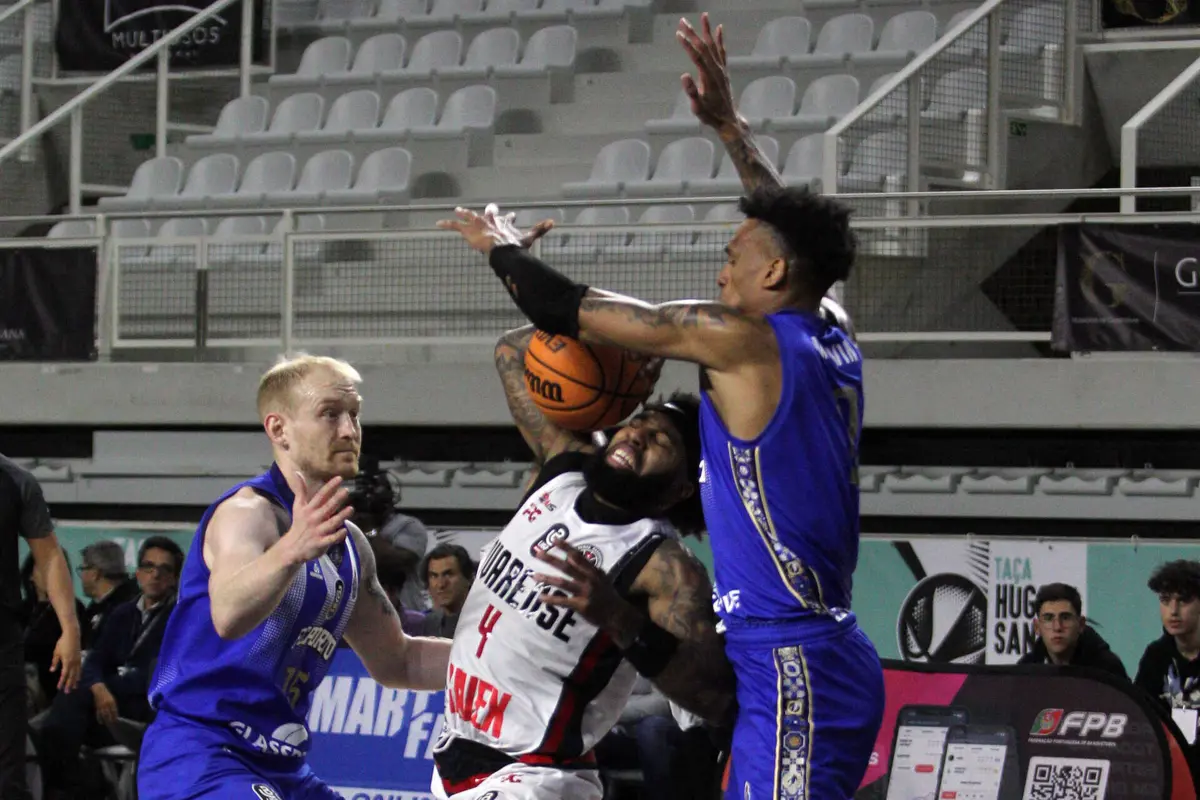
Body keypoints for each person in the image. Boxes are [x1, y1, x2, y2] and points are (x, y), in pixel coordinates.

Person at [439, 14, 883, 799]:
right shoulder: (829, 328)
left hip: (793, 655)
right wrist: (729, 129)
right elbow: (794, 229)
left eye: (734, 259)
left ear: (775, 273)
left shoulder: (744, 342)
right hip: (793, 649)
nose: (723, 271)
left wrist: (503, 247)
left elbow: (566, 307)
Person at [428, 325, 733, 800]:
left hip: (535, 775)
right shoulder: (564, 469)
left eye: (661, 442)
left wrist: (618, 616)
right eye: (640, 420)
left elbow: (714, 698)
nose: (638, 434)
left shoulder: (662, 564)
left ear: (679, 488)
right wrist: (618, 352)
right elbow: (511, 349)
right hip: (456, 749)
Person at [137, 354, 453, 800]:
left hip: (281, 766)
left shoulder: (350, 545)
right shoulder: (247, 514)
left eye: (354, 415)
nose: (349, 430)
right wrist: (291, 550)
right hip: (201, 753)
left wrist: (497, 661)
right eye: (329, 414)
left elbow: (399, 660)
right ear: (278, 429)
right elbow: (227, 614)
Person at [36, 536, 182, 800]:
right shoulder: (123, 613)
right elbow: (94, 659)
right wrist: (98, 685)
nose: (155, 575)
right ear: (137, 572)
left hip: (140, 710)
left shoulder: (179, 620)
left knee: (66, 707)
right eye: (149, 566)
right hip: (103, 705)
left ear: (174, 578)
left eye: (165, 569)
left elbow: (155, 677)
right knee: (61, 710)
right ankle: (70, 786)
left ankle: (66, 787)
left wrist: (107, 684)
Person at [1, 454, 82, 800]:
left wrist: (70, 628)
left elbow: (49, 556)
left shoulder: (15, 480)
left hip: (1, 635)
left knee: (6, 770)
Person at [1135, 560, 1200, 757]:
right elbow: (1139, 716)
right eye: (1165, 600)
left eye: (1183, 600)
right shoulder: (1156, 655)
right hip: (1170, 764)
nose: (1173, 611)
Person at [20, 549, 86, 713]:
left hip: (51, 684)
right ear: (30, 575)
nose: (51, 575)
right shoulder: (22, 609)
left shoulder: (73, 610)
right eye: (43, 568)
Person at [1018, 582, 1127, 678]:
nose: (1057, 627)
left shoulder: (1108, 670)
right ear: (1037, 627)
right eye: (1048, 618)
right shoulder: (1026, 671)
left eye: (1065, 617)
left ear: (1081, 625)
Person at [76, 540, 138, 648]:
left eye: (83, 569)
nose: (82, 576)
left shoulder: (128, 608)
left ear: (95, 574)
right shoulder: (95, 608)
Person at [417, 544, 475, 638]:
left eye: (448, 574)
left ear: (469, 578)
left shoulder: (487, 623)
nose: (441, 584)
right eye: (434, 576)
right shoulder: (429, 623)